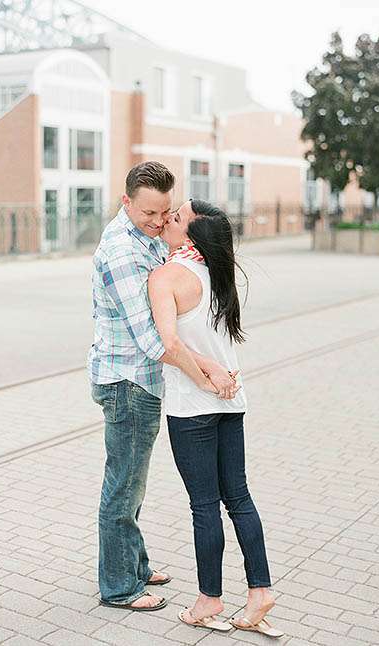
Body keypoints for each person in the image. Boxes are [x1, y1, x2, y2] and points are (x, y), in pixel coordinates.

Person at [89, 162, 238, 612]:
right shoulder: (124, 253)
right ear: (126, 202)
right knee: (123, 484)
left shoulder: (144, 240)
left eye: (165, 213)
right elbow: (154, 340)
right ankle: (119, 586)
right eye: (149, 213)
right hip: (128, 383)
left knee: (133, 483)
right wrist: (207, 372)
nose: (158, 222)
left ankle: (133, 564)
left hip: (141, 382)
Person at [148, 199, 283, 637]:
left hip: (193, 408)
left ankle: (209, 599)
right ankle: (260, 591)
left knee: (204, 505)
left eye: (176, 217)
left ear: (192, 235)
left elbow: (168, 344)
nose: (168, 219)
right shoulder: (218, 277)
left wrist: (203, 378)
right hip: (232, 403)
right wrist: (217, 374)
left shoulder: (165, 277)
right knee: (239, 498)